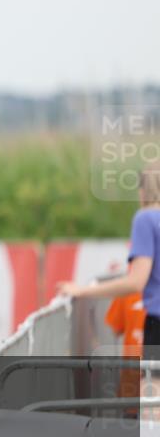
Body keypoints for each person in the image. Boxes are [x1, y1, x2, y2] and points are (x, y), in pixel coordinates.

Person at [60, 162, 160, 409]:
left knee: (153, 402)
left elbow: (136, 281)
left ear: (143, 190)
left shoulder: (147, 219)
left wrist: (84, 290)